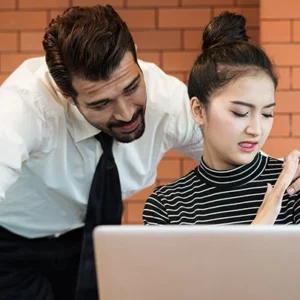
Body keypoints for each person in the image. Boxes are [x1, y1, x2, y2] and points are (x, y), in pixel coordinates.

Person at [0, 5, 298, 300]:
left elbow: (235, 156)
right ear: (67, 94)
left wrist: (289, 175)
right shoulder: (23, 109)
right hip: (12, 243)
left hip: (88, 241)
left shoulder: (168, 102)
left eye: (132, 87)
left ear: (136, 56)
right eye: (102, 104)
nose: (127, 113)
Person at [143, 11, 300, 226]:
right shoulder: (168, 206)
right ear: (199, 110)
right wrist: (259, 228)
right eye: (240, 113)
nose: (256, 129)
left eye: (266, 114)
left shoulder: (293, 186)